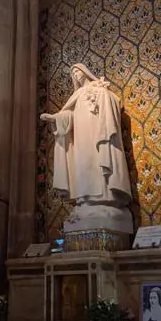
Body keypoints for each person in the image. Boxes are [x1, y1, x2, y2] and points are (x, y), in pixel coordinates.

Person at [40, 63, 132, 211]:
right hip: (81, 137)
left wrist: (103, 96)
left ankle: (106, 199)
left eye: (77, 71)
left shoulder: (100, 89)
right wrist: (55, 118)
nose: (75, 74)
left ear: (85, 72)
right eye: (73, 73)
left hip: (98, 132)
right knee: (83, 165)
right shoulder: (76, 94)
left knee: (100, 161)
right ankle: (86, 200)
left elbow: (115, 102)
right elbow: (69, 115)